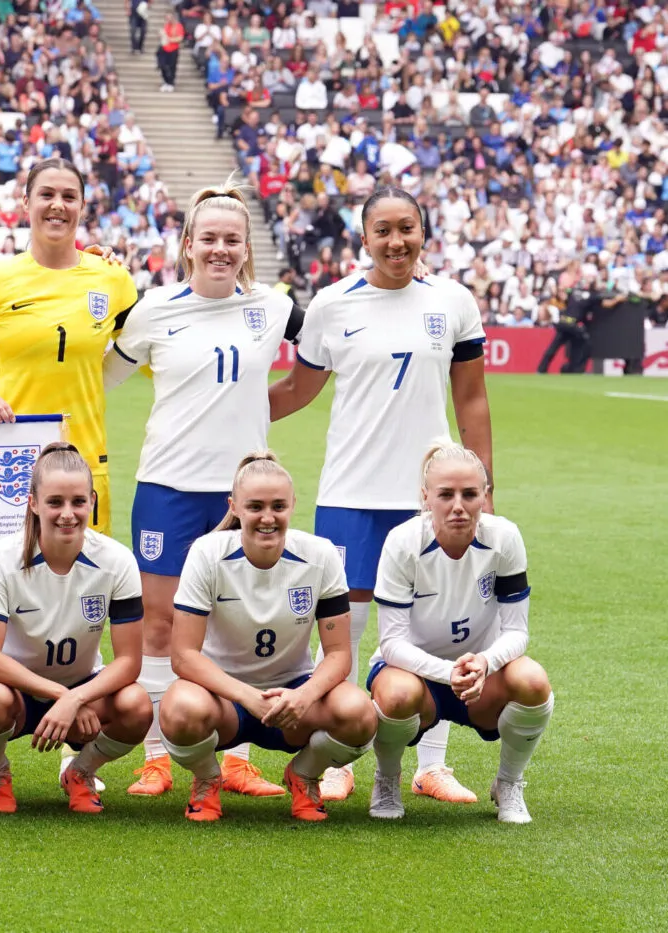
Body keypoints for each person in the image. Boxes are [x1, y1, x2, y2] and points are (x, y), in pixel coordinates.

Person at [269, 186, 493, 804]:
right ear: (363, 238)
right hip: (350, 489)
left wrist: (484, 492)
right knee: (345, 625)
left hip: (432, 493)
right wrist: (225, 413)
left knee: (434, 626)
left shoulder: (452, 301)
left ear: (424, 234)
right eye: (383, 231)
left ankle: (432, 764)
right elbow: (296, 391)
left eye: (408, 229)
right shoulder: (333, 304)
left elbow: (471, 400)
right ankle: (338, 753)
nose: (396, 241)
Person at [0, 157, 137, 791]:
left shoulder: (112, 279)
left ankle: (72, 740)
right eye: (46, 194)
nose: (58, 205)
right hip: (10, 467)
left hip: (87, 469)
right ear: (24, 202)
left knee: (84, 601)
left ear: (84, 205)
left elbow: (149, 349)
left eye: (70, 196)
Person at [104, 181, 304, 799]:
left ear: (247, 249)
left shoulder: (272, 308)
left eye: (233, 240)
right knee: (161, 623)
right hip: (168, 485)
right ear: (188, 245)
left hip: (243, 492)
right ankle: (159, 754)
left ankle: (236, 757)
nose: (221, 249)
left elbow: (330, 341)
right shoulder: (153, 310)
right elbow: (100, 379)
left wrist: (256, 416)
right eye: (209, 238)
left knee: (234, 623)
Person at [160, 453, 375, 822]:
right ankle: (208, 779)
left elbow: (339, 654)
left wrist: (303, 696)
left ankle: (304, 775)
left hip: (293, 695)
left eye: (278, 506)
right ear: (234, 507)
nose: (267, 517)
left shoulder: (320, 555)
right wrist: (248, 698)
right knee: (179, 710)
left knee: (359, 714)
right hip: (223, 698)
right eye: (255, 506)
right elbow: (183, 656)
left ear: (293, 504)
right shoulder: (207, 553)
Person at [367, 443, 552, 824]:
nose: (458, 506)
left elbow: (517, 631)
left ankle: (509, 784)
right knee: (397, 693)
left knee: (533, 682)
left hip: (481, 680)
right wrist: (445, 672)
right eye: (445, 495)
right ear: (425, 497)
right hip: (417, 678)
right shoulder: (403, 543)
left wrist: (485, 662)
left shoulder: (505, 538)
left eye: (470, 494)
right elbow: (392, 643)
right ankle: (386, 778)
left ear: (484, 496)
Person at [0, 443, 151, 814]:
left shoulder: (117, 561)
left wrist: (77, 697)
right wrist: (60, 696)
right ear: (32, 502)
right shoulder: (3, 557)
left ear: (92, 500)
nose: (68, 514)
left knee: (137, 706)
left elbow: (129, 662)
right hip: (13, 690)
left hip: (81, 689)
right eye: (55, 502)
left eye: (78, 502)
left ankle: (81, 772)